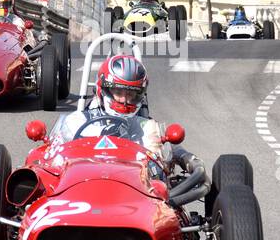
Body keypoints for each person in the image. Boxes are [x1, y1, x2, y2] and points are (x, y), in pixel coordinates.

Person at [49, 54, 197, 177]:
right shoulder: (75, 122)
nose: (125, 100)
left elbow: (160, 171)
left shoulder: (147, 129)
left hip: (137, 193)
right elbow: (53, 160)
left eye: (131, 94)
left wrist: (185, 158)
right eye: (118, 93)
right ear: (103, 90)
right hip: (80, 187)